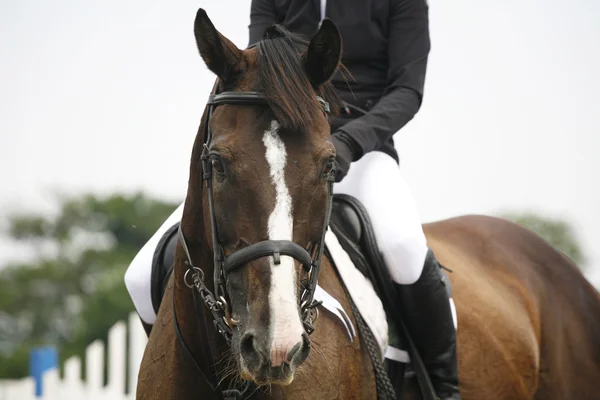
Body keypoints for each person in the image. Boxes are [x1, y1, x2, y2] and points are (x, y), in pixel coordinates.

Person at [125, 0, 461, 399]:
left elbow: (407, 90)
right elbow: (256, 68)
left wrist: (349, 141)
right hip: (276, 147)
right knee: (141, 274)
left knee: (403, 249)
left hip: (362, 147)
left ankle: (443, 388)